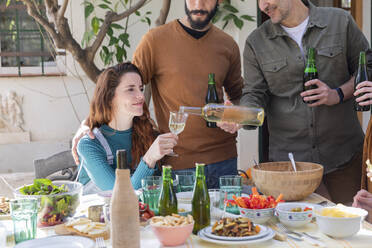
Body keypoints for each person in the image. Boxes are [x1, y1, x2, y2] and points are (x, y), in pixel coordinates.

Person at [72, 0, 244, 189]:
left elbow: (238, 95)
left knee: (228, 218)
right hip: (178, 163)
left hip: (224, 159)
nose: (198, 4)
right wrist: (88, 124)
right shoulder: (155, 41)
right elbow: (122, 87)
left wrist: (235, 114)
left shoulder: (228, 45)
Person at [240, 0, 369, 204]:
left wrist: (338, 94)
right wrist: (239, 115)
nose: (263, 5)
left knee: (354, 227)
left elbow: (366, 68)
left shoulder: (339, 21)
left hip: (345, 158)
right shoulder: (256, 42)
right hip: (291, 167)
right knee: (302, 231)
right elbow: (254, 93)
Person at [76, 62, 178, 193]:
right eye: (130, 89)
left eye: (140, 89)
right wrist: (149, 158)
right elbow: (118, 193)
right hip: (99, 213)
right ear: (109, 97)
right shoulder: (89, 144)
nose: (141, 96)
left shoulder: (149, 137)